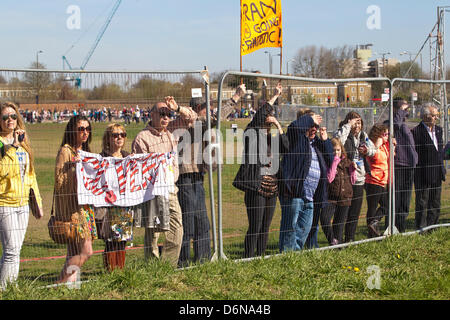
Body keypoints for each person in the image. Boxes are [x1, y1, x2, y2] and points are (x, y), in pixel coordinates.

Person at [177, 84, 247, 267]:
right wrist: (235, 98)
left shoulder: (200, 122)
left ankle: (203, 260)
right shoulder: (189, 121)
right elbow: (215, 118)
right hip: (185, 176)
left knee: (201, 222)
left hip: (197, 175)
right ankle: (182, 261)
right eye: (204, 108)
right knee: (188, 222)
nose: (208, 111)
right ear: (195, 109)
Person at [132, 96, 197, 267]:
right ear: (151, 115)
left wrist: (177, 109)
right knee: (153, 232)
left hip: (170, 189)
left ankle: (167, 266)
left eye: (168, 114)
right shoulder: (142, 138)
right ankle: (152, 267)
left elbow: (192, 118)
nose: (166, 118)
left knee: (177, 227)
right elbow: (139, 168)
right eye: (162, 113)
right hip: (151, 191)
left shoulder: (172, 131)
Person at [233, 83, 289, 258]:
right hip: (256, 186)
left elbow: (286, 147)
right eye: (268, 115)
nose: (269, 117)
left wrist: (279, 126)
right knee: (255, 226)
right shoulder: (252, 133)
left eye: (271, 115)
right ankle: (248, 257)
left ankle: (261, 257)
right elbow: (259, 116)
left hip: (272, 187)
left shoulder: (272, 138)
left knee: (265, 226)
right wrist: (274, 96)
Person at [0, 102, 43, 290]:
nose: (10, 120)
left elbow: (31, 176)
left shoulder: (24, 143)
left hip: (23, 203)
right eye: (5, 117)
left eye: (13, 116)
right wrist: (13, 147)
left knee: (15, 250)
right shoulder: (3, 143)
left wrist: (37, 203)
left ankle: (9, 286)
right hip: (5, 202)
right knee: (11, 251)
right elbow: (2, 172)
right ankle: (7, 290)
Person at [278, 112, 333, 252]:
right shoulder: (297, 140)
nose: (314, 128)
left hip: (311, 197)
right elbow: (294, 128)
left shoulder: (316, 144)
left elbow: (330, 160)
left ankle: (294, 255)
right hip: (294, 193)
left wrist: (325, 140)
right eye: (311, 125)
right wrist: (309, 119)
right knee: (290, 228)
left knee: (304, 229)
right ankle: (286, 256)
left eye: (316, 126)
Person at [54, 115, 97, 284]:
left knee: (73, 251)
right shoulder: (66, 151)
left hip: (86, 206)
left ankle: (69, 286)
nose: (85, 132)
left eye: (88, 129)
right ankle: (59, 283)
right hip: (73, 209)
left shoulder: (86, 151)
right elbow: (59, 181)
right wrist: (74, 168)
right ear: (73, 130)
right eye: (81, 129)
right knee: (86, 252)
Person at [333, 111, 376, 242]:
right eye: (354, 122)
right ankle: (337, 239)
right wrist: (347, 126)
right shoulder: (343, 133)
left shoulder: (363, 135)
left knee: (354, 212)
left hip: (360, 178)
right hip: (345, 178)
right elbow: (338, 141)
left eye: (359, 122)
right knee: (342, 211)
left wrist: (368, 151)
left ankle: (350, 239)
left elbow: (374, 150)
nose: (356, 125)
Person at [95, 124, 132, 272]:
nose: (119, 138)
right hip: (108, 206)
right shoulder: (101, 157)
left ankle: (120, 271)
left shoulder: (128, 156)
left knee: (122, 240)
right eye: (115, 135)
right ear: (108, 138)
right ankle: (110, 271)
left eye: (122, 135)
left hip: (124, 204)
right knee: (110, 240)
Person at [384, 98, 418, 232]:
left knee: (405, 200)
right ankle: (391, 228)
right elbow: (395, 125)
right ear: (396, 110)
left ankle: (401, 228)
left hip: (409, 166)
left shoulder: (404, 124)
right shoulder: (391, 124)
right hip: (398, 166)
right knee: (395, 200)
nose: (406, 112)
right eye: (403, 109)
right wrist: (400, 112)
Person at [411, 103, 446, 230]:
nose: (436, 118)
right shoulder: (416, 132)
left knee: (435, 202)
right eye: (433, 115)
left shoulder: (438, 130)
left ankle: (433, 227)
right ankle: (421, 228)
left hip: (437, 171)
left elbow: (440, 151)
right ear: (425, 116)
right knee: (422, 202)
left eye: (437, 115)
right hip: (423, 172)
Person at [320, 138, 356, 245]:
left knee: (339, 225)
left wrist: (353, 170)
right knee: (325, 219)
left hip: (345, 198)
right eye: (334, 150)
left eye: (338, 150)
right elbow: (329, 179)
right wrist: (334, 162)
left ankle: (338, 249)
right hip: (331, 197)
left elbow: (353, 180)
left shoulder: (347, 162)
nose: (336, 153)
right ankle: (332, 240)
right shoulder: (328, 162)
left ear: (342, 150)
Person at [364, 123, 391, 238]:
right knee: (372, 207)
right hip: (373, 180)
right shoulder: (372, 147)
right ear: (378, 135)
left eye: (388, 134)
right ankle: (372, 235)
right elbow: (373, 156)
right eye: (385, 134)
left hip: (382, 181)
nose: (387, 136)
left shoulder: (385, 145)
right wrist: (377, 144)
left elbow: (391, 154)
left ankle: (374, 222)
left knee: (386, 205)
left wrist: (390, 142)